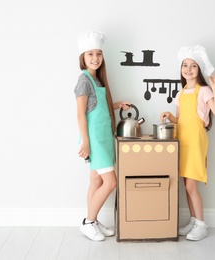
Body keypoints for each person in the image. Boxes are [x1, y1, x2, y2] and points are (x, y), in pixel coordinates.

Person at [159, 45, 215, 241]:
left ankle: (201, 224)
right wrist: (170, 116)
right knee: (186, 183)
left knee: (191, 186)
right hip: (183, 140)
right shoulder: (180, 93)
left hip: (196, 141)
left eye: (193, 66)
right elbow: (181, 120)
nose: (188, 69)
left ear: (199, 70)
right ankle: (194, 220)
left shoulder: (204, 90)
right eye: (185, 65)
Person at [74, 30, 130, 241]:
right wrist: (86, 142)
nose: (95, 58)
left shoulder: (97, 80)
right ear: (83, 58)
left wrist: (115, 105)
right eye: (90, 54)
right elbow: (80, 114)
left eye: (98, 54)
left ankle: (92, 220)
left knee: (96, 180)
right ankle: (89, 222)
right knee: (111, 182)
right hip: (94, 140)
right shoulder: (84, 80)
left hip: (102, 138)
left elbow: (95, 108)